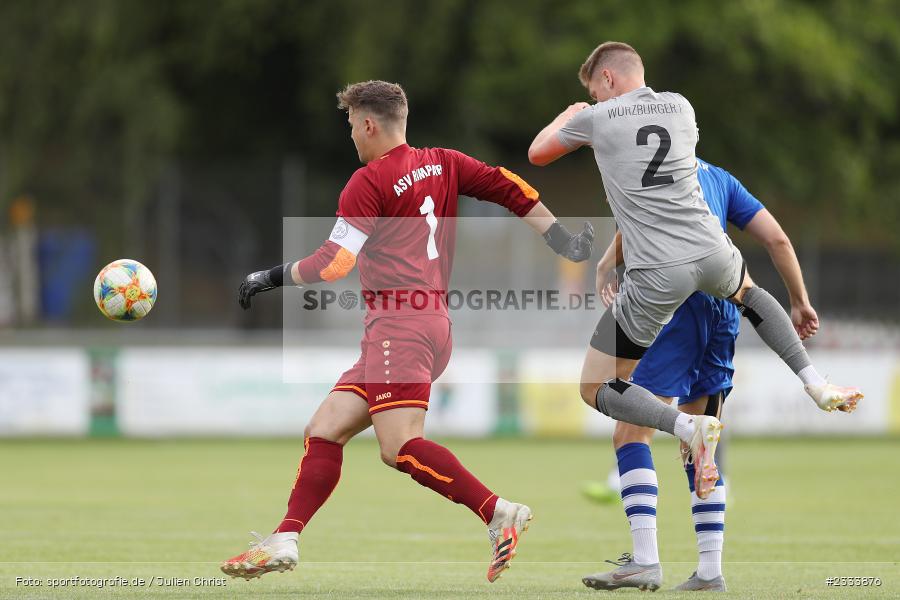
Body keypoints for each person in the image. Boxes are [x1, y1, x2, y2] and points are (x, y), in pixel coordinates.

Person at [220, 80, 594, 583]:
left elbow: (334, 264)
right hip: (427, 323)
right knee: (326, 428)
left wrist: (269, 277)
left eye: (352, 125)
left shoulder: (367, 182)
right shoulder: (445, 162)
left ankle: (498, 510)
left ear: (370, 124)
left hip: (400, 326)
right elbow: (510, 186)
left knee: (399, 447)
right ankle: (285, 537)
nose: (352, 136)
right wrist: (562, 240)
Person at [528, 41, 862, 584]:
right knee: (751, 295)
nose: (590, 99)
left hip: (661, 278)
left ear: (607, 80)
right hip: (712, 255)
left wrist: (572, 115)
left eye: (593, 89)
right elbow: (678, 190)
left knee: (601, 391)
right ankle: (815, 382)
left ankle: (683, 439)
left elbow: (539, 153)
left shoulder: (598, 116)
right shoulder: (682, 108)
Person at [581, 158, 815, 592]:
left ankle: (645, 561)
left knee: (631, 433)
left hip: (674, 303)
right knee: (701, 449)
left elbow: (640, 225)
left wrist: (603, 264)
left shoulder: (646, 167)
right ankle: (709, 571)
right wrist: (799, 300)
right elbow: (778, 239)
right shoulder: (723, 179)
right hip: (725, 304)